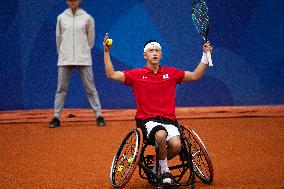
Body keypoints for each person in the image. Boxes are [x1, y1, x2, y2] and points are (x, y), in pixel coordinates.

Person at [103, 33, 212, 184]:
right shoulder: (136, 75)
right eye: (151, 51)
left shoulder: (171, 73)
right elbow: (111, 74)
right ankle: (165, 171)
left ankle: (155, 166)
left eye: (157, 50)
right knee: (160, 135)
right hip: (147, 120)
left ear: (161, 54)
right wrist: (107, 52)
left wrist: (205, 55)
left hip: (169, 120)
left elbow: (195, 75)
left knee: (176, 145)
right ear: (145, 55)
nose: (154, 53)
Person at [50, 0, 105, 128]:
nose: (73, 2)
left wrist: (83, 50)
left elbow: (91, 40)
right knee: (61, 89)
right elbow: (58, 38)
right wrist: (64, 52)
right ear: (66, 1)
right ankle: (56, 118)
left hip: (83, 58)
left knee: (90, 88)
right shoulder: (61, 18)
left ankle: (99, 116)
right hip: (65, 58)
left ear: (80, 1)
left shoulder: (87, 18)